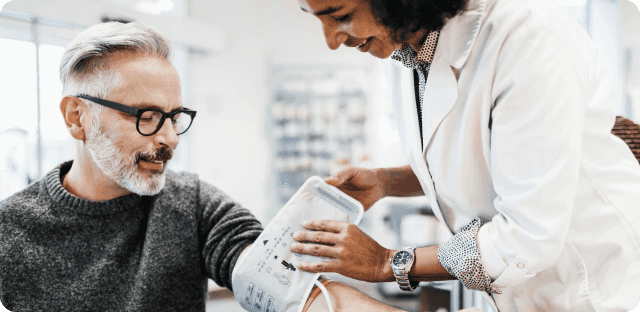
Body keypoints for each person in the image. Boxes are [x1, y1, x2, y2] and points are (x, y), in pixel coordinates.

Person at [291, 0, 640, 311]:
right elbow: (479, 160)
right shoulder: (403, 51)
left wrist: (389, 263)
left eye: (341, 16)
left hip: (599, 291)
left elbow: (528, 235)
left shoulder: (527, 37)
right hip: (521, 293)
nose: (332, 40)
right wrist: (386, 182)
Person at [0, 22, 264, 311]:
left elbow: (260, 267)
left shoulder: (195, 205)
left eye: (174, 117)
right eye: (147, 116)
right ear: (77, 117)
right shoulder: (8, 231)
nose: (171, 138)